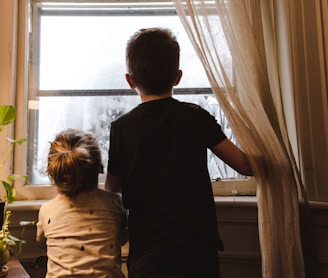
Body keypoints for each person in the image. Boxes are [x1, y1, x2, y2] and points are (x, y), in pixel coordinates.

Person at [105, 28, 253, 278]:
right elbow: (244, 165)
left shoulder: (121, 128)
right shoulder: (196, 117)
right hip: (197, 250)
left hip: (148, 253)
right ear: (178, 77)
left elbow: (112, 188)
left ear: (130, 81)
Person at [37, 128, 128, 278]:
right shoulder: (115, 205)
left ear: (54, 173)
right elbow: (122, 239)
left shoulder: (47, 211)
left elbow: (41, 242)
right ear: (100, 168)